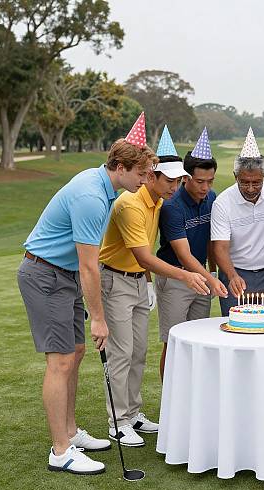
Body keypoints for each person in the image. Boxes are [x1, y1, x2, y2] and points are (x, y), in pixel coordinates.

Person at [17, 113, 155, 475]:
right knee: (60, 361)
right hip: (45, 275)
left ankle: (70, 432)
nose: (144, 182)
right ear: (122, 167)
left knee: (74, 353)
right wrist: (99, 318)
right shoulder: (93, 196)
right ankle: (60, 451)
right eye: (141, 174)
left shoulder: (103, 184)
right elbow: (90, 266)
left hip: (60, 276)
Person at [99, 125, 209, 447]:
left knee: (139, 352)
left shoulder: (158, 201)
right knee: (121, 353)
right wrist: (185, 275)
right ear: (151, 176)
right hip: (114, 280)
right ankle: (117, 422)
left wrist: (146, 284)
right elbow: (145, 256)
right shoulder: (131, 204)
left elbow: (144, 260)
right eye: (170, 180)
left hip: (134, 281)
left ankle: (132, 414)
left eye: (179, 181)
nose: (176, 187)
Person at [156, 127, 227, 381]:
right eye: (200, 181)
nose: (205, 187)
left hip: (202, 278)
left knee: (198, 341)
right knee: (174, 343)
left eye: (210, 181)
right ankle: (171, 404)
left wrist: (212, 273)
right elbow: (184, 255)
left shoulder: (212, 198)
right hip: (175, 278)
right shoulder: (172, 206)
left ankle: (193, 399)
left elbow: (211, 241)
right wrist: (211, 278)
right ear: (186, 177)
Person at [211, 127, 264, 315]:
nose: (251, 188)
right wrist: (232, 276)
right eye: (244, 182)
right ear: (236, 176)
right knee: (235, 327)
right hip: (235, 272)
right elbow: (220, 247)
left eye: (257, 182)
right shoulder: (222, 203)